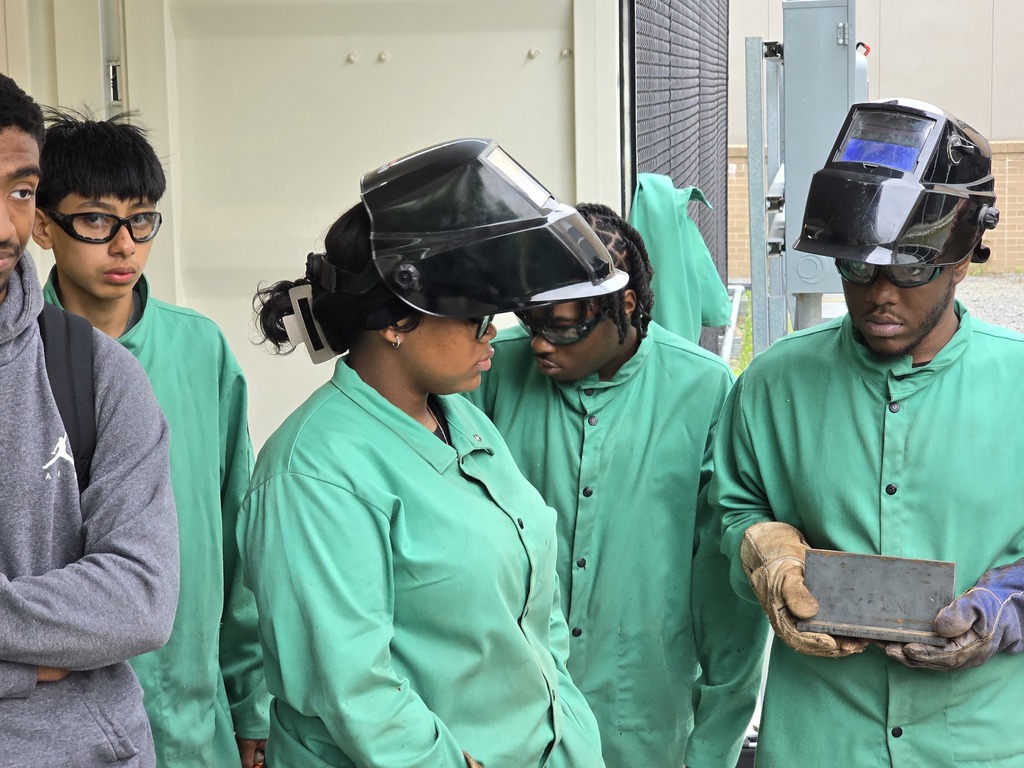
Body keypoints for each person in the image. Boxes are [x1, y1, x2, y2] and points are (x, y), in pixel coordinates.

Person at [242, 138, 628, 767]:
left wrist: (568, 728)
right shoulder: (314, 472)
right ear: (396, 320)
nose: (493, 333)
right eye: (477, 316)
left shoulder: (465, 421)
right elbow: (352, 687)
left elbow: (534, 611)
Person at [710, 98, 1024, 767]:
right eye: (857, 267)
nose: (881, 292)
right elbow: (737, 509)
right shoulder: (774, 383)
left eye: (910, 269)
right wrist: (766, 552)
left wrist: (1007, 606)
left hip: (976, 743)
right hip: (819, 743)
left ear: (963, 259)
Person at [467, 203, 768, 768]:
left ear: (624, 304)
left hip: (644, 724)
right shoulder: (487, 376)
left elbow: (727, 597)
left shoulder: (701, 391)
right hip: (507, 719)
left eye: (562, 325)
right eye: (532, 322)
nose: (539, 344)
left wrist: (711, 750)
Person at [31, 110, 270, 768]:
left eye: (142, 220)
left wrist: (250, 699)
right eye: (97, 221)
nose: (125, 246)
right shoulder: (20, 363)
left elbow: (233, 533)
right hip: (62, 720)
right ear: (44, 226)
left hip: (195, 715)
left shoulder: (200, 349)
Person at [0, 75, 179, 765]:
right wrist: (32, 664)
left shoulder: (96, 373)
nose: (7, 225)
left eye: (20, 190)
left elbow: (140, 597)